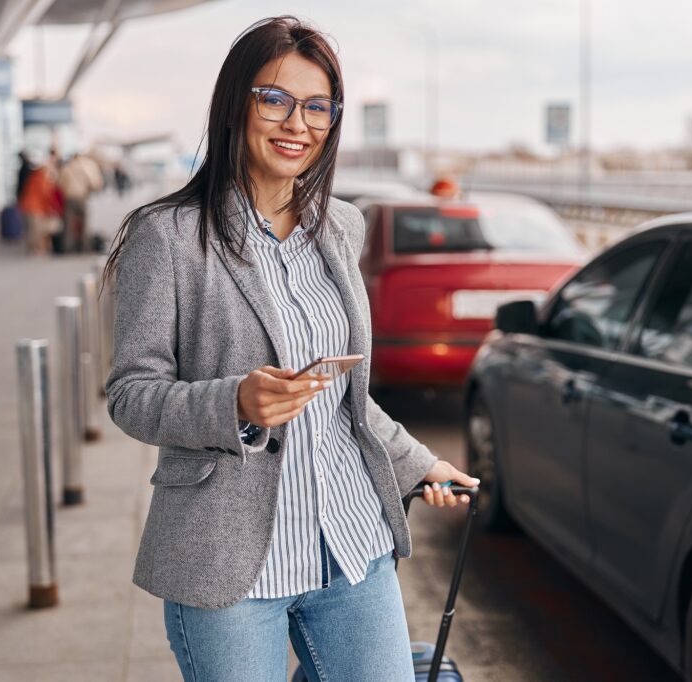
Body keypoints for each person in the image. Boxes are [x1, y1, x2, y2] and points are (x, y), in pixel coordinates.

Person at [102, 16, 479, 682]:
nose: (295, 124)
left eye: (317, 107)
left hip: (350, 547)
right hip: (229, 561)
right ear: (234, 105)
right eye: (274, 99)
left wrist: (419, 465)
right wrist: (236, 401)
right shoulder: (166, 238)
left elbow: (343, 401)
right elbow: (132, 395)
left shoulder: (340, 227)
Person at [17, 152, 63, 255]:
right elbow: (46, 195)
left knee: (31, 230)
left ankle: (32, 249)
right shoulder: (41, 179)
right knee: (35, 230)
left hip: (29, 206)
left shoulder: (34, 177)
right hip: (34, 207)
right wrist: (52, 208)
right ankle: (36, 250)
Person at [58, 151, 103, 252]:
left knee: (68, 223)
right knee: (83, 223)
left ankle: (67, 247)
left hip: (69, 197)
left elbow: (60, 183)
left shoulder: (67, 167)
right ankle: (84, 247)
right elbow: (95, 183)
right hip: (82, 197)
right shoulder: (87, 166)